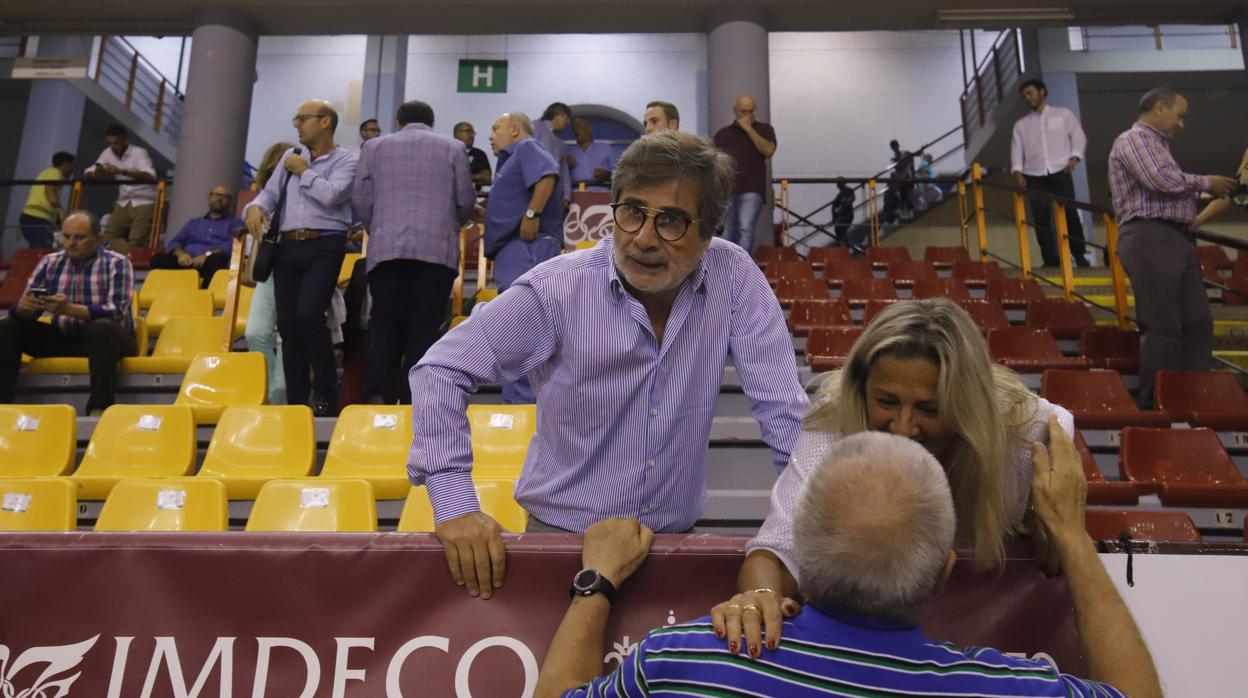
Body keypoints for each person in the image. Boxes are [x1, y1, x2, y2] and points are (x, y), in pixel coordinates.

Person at [409, 130, 807, 599]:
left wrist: (811, 532)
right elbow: (440, 369)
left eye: (672, 221)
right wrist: (453, 502)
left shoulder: (734, 276)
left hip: (673, 548)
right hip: (562, 546)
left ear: (708, 231)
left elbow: (786, 415)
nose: (643, 238)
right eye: (633, 212)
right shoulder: (557, 289)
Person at [534, 422, 1161, 698]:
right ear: (945, 570)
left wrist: (597, 583)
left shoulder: (681, 663)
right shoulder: (1006, 689)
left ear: (799, 551)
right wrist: (1072, 538)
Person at [711, 299, 1075, 641]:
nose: (902, 427)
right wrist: (760, 596)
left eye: (929, 410)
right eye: (885, 402)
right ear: (860, 388)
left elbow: (1060, 422)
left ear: (968, 406)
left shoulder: (1022, 428)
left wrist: (1042, 511)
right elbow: (775, 552)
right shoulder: (835, 420)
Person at [1109, 87, 1236, 408]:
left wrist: (1225, 194)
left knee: (1198, 321)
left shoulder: (1160, 147)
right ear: (1160, 108)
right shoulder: (1133, 139)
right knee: (1163, 324)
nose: (1182, 123)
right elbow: (1160, 181)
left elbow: (1173, 189)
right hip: (1149, 236)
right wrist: (1208, 183)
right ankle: (1159, 405)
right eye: (1180, 115)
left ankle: (1195, 398)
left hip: (1175, 237)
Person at [351, 100, 475, 405]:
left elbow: (361, 199)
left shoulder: (373, 147)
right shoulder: (454, 148)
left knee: (383, 323)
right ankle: (414, 402)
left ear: (398, 123)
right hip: (436, 253)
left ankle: (376, 396)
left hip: (386, 251)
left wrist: (377, 226)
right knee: (424, 325)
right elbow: (465, 201)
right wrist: (447, 225)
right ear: (432, 123)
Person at [244, 100, 358, 416]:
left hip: (325, 244)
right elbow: (269, 194)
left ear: (325, 122)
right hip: (287, 246)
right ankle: (296, 401)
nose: (296, 124)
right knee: (290, 324)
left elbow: (333, 196)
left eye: (302, 119)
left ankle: (325, 393)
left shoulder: (347, 160)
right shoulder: (289, 158)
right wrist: (254, 208)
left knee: (310, 315)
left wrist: (305, 173)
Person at [0, 211, 136, 415]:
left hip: (112, 340)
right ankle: (3, 404)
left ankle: (99, 407)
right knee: (7, 326)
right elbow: (24, 308)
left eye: (79, 237)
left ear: (98, 238)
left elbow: (115, 311)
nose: (71, 242)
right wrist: (24, 308)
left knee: (101, 328)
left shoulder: (118, 263)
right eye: (66, 237)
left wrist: (69, 309)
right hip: (64, 336)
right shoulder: (50, 262)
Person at [479, 111, 563, 404]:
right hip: (512, 248)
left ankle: (526, 406)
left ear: (515, 129)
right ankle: (515, 404)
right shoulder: (507, 162)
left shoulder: (527, 147)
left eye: (495, 128)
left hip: (527, 245)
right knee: (513, 328)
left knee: (524, 324)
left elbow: (547, 175)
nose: (490, 135)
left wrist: (531, 214)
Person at [1011, 79, 1091, 268]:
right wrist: (1017, 171)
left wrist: (1075, 157)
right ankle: (1050, 260)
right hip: (1033, 175)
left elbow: (1079, 136)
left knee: (1070, 213)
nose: (1027, 98)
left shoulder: (1063, 114)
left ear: (1042, 92)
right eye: (1024, 96)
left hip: (1060, 170)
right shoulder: (1021, 125)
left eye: (1030, 93)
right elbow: (1016, 149)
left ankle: (1079, 256)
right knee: (1041, 219)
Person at [244, 141, 294, 406]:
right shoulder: (265, 196)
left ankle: (280, 397)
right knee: (255, 333)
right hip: (271, 266)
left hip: (297, 264)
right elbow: (250, 211)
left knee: (289, 335)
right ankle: (270, 391)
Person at [713, 95, 776, 253]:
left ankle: (743, 269)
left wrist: (749, 129)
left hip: (752, 188)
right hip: (727, 190)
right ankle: (725, 268)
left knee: (745, 228)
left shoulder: (765, 130)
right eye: (743, 111)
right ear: (735, 111)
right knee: (726, 232)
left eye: (751, 111)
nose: (747, 115)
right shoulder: (723, 133)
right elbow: (714, 160)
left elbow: (768, 150)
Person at [84, 124, 157, 254]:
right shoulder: (107, 152)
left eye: (116, 143)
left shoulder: (138, 152)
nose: (113, 146)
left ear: (125, 139)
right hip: (123, 200)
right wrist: (97, 173)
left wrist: (122, 172)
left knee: (137, 239)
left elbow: (150, 176)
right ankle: (131, 256)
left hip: (144, 200)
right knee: (108, 234)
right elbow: (90, 170)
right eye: (110, 143)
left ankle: (133, 257)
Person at [150, 186, 242, 286]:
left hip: (210, 263)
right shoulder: (194, 223)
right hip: (187, 261)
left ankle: (205, 296)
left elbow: (233, 244)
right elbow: (176, 242)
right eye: (216, 195)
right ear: (209, 198)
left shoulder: (236, 223)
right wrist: (181, 254)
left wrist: (207, 255)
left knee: (217, 260)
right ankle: (161, 296)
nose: (220, 199)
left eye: (225, 196)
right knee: (158, 259)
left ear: (230, 202)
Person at [18, 151, 75, 249]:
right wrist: (61, 210)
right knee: (42, 250)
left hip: (32, 217)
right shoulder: (55, 173)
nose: (72, 170)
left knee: (40, 247)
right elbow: (50, 190)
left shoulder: (47, 173)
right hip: (37, 218)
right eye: (72, 166)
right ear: (66, 164)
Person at [532, 102, 573, 209]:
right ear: (559, 115)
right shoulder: (536, 127)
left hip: (555, 193)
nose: (567, 122)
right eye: (566, 118)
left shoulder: (560, 143)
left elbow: (564, 170)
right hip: (535, 188)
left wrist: (567, 195)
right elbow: (527, 153)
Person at [567, 117, 615, 191]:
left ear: (589, 129)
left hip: (601, 196)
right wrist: (567, 167)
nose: (576, 129)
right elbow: (562, 180)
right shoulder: (568, 152)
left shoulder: (605, 148)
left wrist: (606, 174)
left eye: (578, 126)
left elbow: (618, 175)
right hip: (577, 197)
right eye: (573, 127)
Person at [831, 178, 855, 246]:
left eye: (838, 184)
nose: (837, 186)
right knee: (840, 230)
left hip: (846, 215)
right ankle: (844, 244)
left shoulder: (848, 191)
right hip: (843, 216)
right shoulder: (841, 194)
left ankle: (844, 244)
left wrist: (841, 207)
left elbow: (851, 199)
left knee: (839, 229)